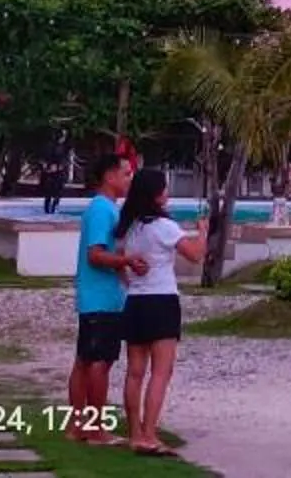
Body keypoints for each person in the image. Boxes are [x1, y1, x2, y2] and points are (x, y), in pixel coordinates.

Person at [116, 168, 204, 458]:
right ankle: (150, 434)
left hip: (136, 302)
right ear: (155, 194)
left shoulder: (130, 227)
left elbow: (121, 264)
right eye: (164, 189)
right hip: (162, 300)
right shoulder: (165, 226)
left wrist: (132, 282)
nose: (167, 193)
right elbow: (195, 254)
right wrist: (203, 231)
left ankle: (135, 434)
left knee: (135, 372)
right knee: (160, 372)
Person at [66, 150, 148, 447]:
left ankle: (78, 425)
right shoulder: (102, 210)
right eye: (126, 174)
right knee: (99, 362)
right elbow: (96, 254)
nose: (130, 179)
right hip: (102, 299)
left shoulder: (104, 208)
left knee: (85, 361)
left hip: (96, 297)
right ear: (110, 176)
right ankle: (95, 428)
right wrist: (127, 261)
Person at [38, 136, 70, 215]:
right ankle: (50, 208)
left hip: (56, 171)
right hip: (53, 171)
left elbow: (65, 161)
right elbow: (43, 159)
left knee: (55, 191)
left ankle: (51, 207)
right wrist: (47, 166)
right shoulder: (55, 147)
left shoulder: (62, 147)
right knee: (53, 191)